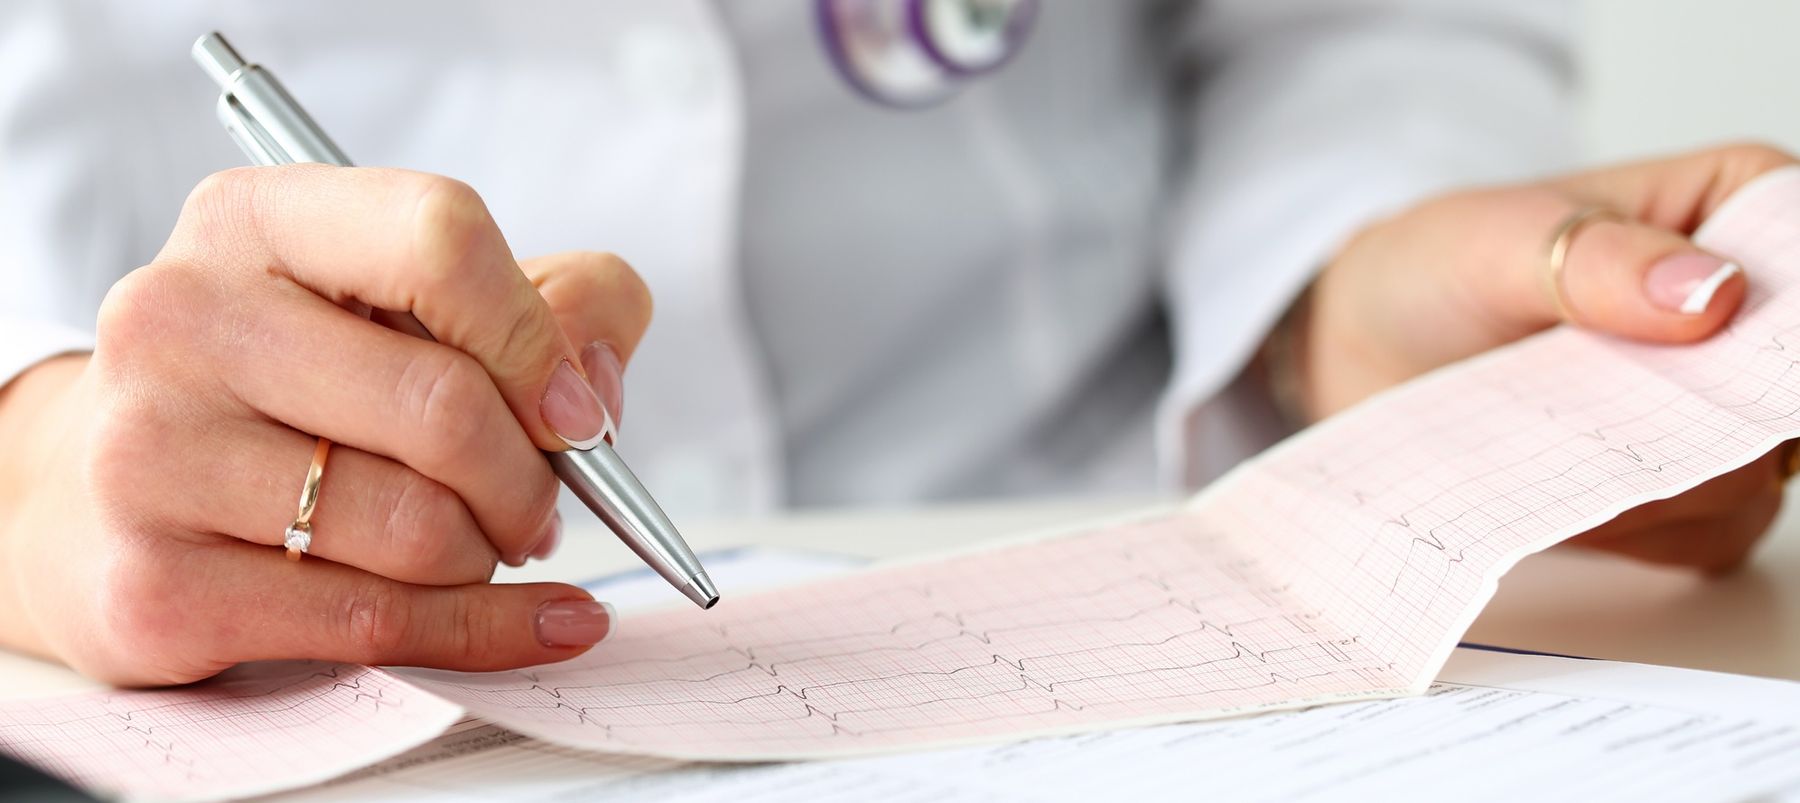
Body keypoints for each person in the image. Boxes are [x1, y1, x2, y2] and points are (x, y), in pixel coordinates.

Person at [0, 1, 1786, 687]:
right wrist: (30, 459)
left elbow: (1344, 30)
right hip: (258, 642)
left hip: (1113, 552)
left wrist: (1336, 287)